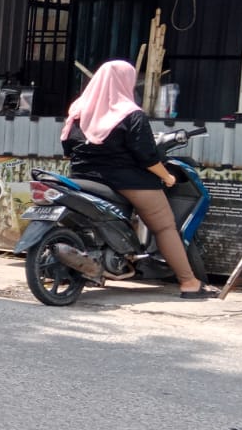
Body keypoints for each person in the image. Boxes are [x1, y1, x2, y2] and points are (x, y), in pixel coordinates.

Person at [61, 60, 214, 299]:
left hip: (83, 177)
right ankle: (188, 282)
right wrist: (167, 177)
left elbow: (68, 147)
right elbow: (147, 157)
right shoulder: (130, 113)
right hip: (126, 179)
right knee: (164, 226)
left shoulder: (78, 110)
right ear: (126, 82)